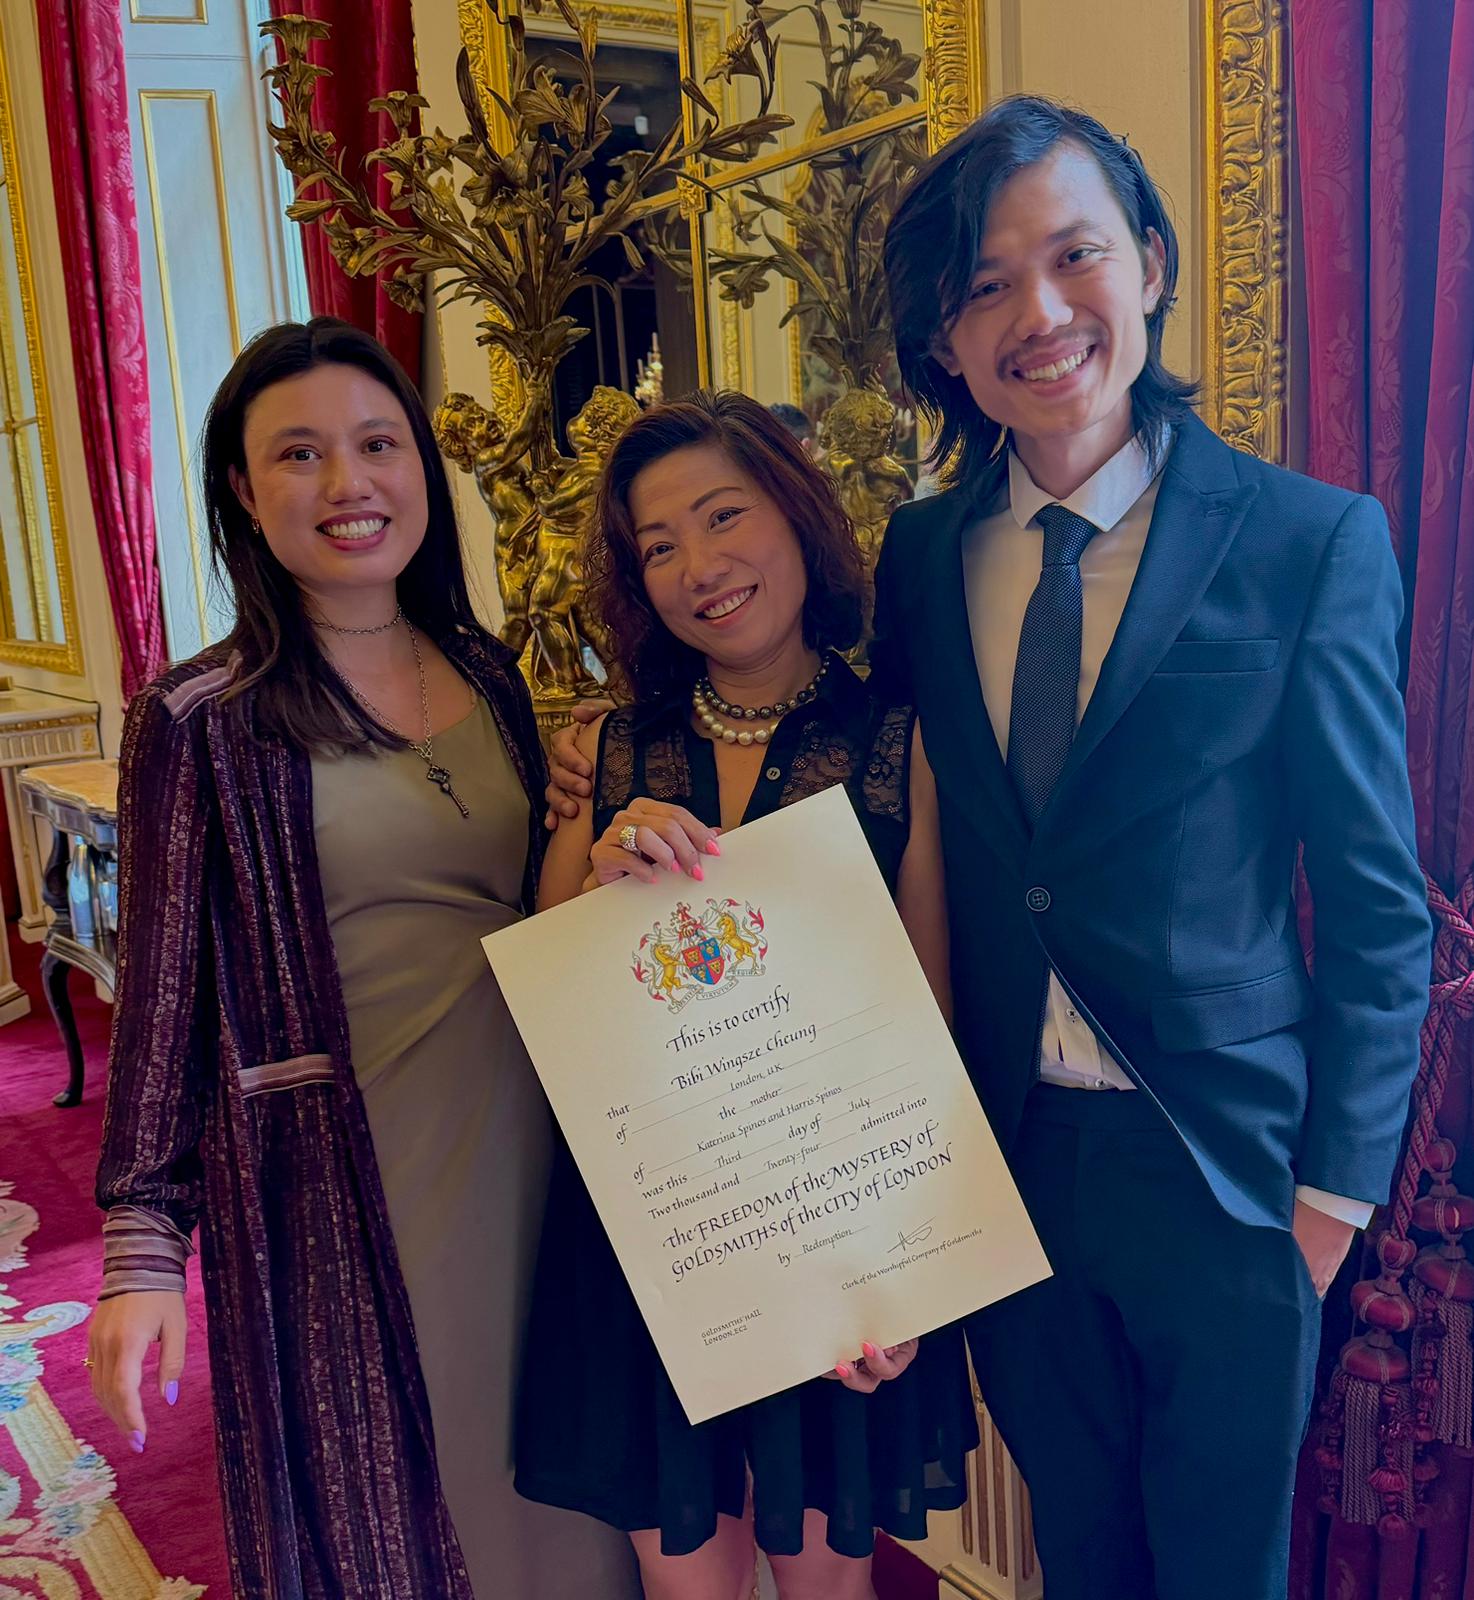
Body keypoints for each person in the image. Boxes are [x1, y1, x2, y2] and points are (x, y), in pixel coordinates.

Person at [549, 98, 1434, 1599]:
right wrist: (612, 751)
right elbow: (843, 806)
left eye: (1072, 256)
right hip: (1000, 1171)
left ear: (1146, 265)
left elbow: (1373, 912)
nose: (1036, 314)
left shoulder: (1309, 540)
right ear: (943, 346)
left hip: (1222, 1176)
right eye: (979, 287)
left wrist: (1323, 1210)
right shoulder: (916, 553)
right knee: (1079, 1561)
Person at [86, 317, 640, 1599]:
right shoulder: (200, 718)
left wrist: (586, 813)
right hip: (350, 1185)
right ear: (242, 488)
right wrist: (140, 1246)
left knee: (577, 1486)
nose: (349, 485)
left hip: (549, 1153)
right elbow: (161, 997)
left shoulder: (490, 672)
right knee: (402, 1507)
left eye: (377, 444)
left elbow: (532, 908)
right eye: (299, 454)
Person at [516, 389, 978, 1600]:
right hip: (656, 1242)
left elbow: (927, 1018)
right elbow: (548, 1006)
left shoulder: (898, 739)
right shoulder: (610, 746)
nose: (697, 567)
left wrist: (904, 1272)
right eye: (656, 547)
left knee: (826, 1586)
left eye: (724, 517)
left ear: (796, 513)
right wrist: (605, 870)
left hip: (831, 1242)